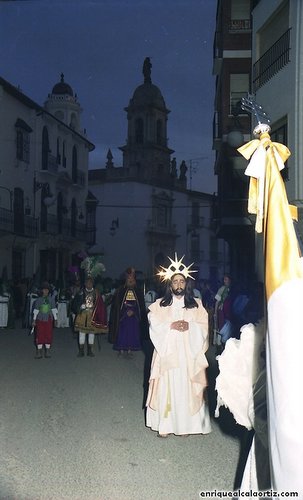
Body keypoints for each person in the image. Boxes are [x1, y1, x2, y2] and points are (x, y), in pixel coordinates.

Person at [146, 253, 212, 437]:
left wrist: (190, 326)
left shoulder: (196, 305)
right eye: (175, 282)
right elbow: (154, 324)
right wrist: (170, 326)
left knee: (185, 387)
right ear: (170, 285)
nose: (179, 285)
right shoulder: (160, 305)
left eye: (182, 282)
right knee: (167, 386)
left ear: (187, 284)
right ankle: (165, 426)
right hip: (167, 354)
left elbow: (204, 326)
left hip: (187, 355)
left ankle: (185, 426)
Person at [108, 267, 148, 358]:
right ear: (126, 279)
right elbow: (117, 306)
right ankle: (121, 350)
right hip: (123, 317)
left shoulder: (138, 291)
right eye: (129, 278)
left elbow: (140, 306)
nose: (130, 280)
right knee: (122, 333)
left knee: (132, 333)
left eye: (132, 278)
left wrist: (134, 312)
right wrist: (124, 312)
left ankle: (129, 350)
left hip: (134, 317)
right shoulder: (120, 291)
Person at [72, 276, 108, 357]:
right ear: (85, 284)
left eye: (90, 282)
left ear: (93, 283)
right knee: (82, 333)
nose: (89, 284)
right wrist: (80, 307)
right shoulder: (80, 292)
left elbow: (101, 306)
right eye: (87, 282)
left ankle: (90, 350)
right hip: (82, 315)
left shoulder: (96, 293)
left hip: (93, 316)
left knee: (92, 333)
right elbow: (74, 304)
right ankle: (81, 351)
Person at [32, 282, 58, 359]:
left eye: (47, 290)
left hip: (48, 319)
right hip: (40, 319)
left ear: (49, 291)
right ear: (42, 291)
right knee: (39, 334)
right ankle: (39, 351)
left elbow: (54, 310)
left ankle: (47, 351)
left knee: (48, 334)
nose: (46, 291)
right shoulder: (38, 300)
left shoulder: (51, 300)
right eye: (44, 290)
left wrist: (55, 319)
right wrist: (34, 320)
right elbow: (36, 310)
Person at [213, 274, 233, 350]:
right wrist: (215, 312)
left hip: (229, 311)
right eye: (224, 279)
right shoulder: (222, 289)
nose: (225, 281)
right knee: (221, 328)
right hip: (222, 311)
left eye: (226, 279)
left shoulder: (232, 289)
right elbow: (217, 301)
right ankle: (219, 346)